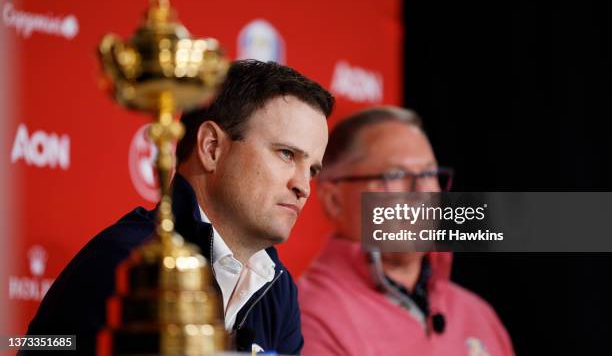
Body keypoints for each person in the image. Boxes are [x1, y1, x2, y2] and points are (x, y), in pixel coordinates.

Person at [23, 60, 334, 355]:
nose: (303, 186)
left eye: (312, 170)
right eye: (287, 154)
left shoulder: (278, 290)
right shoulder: (129, 263)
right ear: (211, 148)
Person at [298, 106, 514, 356]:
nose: (421, 191)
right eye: (396, 175)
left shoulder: (478, 315)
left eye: (430, 173)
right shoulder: (309, 317)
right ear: (334, 200)